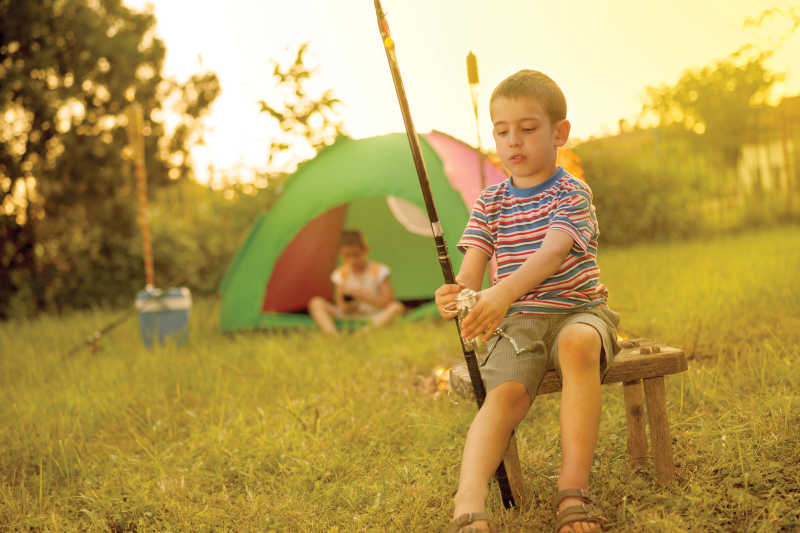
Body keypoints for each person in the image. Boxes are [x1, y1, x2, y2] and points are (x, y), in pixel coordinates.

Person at [436, 70, 620, 533]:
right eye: (502, 131)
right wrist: (457, 295)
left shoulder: (571, 193)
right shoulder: (490, 202)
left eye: (528, 128)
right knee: (507, 395)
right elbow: (472, 270)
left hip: (578, 309)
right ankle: (469, 498)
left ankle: (572, 490)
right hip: (518, 322)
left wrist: (500, 293)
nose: (513, 141)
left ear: (559, 133)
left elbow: (553, 252)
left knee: (579, 344)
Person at [308, 229, 405, 335]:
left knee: (396, 307)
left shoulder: (379, 270)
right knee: (316, 303)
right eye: (347, 256)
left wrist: (364, 296)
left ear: (365, 250)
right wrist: (350, 305)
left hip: (374, 314)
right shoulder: (341, 274)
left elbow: (388, 301)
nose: (352, 260)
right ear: (341, 255)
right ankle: (333, 335)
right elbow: (342, 307)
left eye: (356, 255)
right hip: (350, 316)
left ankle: (363, 334)